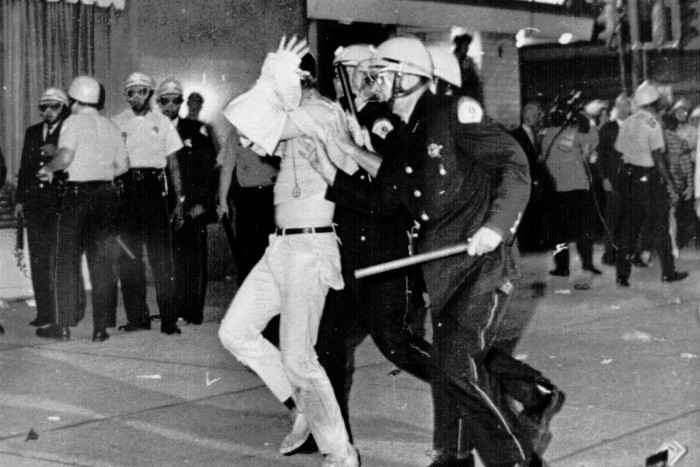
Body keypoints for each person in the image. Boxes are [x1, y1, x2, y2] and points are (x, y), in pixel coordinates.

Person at [315, 36, 557, 467]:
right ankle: (456, 455)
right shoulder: (404, 137)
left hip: (483, 264)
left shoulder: (453, 112)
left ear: (408, 77)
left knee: (458, 365)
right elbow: (384, 202)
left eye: (381, 75)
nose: (373, 84)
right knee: (451, 365)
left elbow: (515, 163)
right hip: (443, 271)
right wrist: (329, 175)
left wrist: (496, 227)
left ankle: (519, 460)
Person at [218, 37, 359, 467]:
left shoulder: (318, 112)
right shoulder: (292, 113)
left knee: (300, 357)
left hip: (310, 245)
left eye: (287, 78)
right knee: (235, 332)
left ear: (303, 80)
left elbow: (247, 113)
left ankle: (340, 452)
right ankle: (301, 407)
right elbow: (246, 125)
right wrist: (271, 78)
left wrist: (270, 78)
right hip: (281, 245)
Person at [313, 43, 432, 443]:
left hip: (381, 249)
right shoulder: (337, 116)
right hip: (344, 250)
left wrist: (346, 153)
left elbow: (394, 180)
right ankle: (329, 432)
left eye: (365, 71)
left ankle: (491, 384)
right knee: (324, 343)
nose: (360, 79)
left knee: (399, 346)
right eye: (345, 71)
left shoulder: (379, 120)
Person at [36, 76, 129, 341]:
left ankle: (62, 326)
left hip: (78, 197)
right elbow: (123, 166)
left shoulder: (73, 122)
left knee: (66, 262)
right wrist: (100, 174)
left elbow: (65, 157)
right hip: (107, 197)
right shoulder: (110, 125)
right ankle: (100, 329)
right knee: (101, 264)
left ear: (75, 100)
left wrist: (47, 169)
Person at [112, 72, 184, 335]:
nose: (137, 96)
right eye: (131, 92)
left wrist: (180, 201)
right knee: (129, 257)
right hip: (126, 191)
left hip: (155, 191)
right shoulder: (116, 122)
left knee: (161, 258)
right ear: (126, 95)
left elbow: (173, 164)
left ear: (150, 94)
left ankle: (169, 320)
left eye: (142, 91)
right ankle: (138, 318)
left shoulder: (163, 122)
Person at [14, 87, 85, 329]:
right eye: (43, 107)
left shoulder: (72, 130)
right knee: (39, 260)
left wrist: (58, 154)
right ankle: (45, 313)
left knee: (65, 259)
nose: (48, 111)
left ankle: (72, 311)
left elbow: (82, 164)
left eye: (53, 106)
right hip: (36, 206)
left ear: (64, 108)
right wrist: (20, 200)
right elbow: (24, 168)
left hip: (62, 204)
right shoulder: (32, 132)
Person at [614, 81, 688, 286]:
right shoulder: (653, 122)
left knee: (629, 228)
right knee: (660, 227)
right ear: (654, 102)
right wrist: (670, 184)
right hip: (649, 180)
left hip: (629, 179)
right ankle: (668, 272)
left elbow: (620, 151)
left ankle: (621, 276)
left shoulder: (628, 121)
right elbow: (658, 156)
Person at [155, 78, 216, 325]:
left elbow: (208, 169)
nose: (170, 105)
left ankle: (191, 312)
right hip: (161, 205)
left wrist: (201, 203)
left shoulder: (195, 130)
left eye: (175, 100)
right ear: (158, 103)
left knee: (191, 259)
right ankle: (171, 311)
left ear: (181, 102)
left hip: (191, 206)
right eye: (164, 100)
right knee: (167, 260)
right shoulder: (152, 129)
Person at [541, 105, 602, 276]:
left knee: (559, 233)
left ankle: (562, 267)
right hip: (579, 187)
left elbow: (545, 159)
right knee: (585, 228)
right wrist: (584, 120)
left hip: (557, 189)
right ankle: (588, 263)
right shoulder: (574, 133)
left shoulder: (547, 135)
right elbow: (593, 138)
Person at [598, 93, 633, 266]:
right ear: (616, 108)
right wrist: (604, 178)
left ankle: (626, 253)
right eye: (621, 106)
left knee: (629, 218)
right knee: (612, 218)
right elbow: (600, 157)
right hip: (613, 180)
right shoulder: (607, 129)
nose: (624, 109)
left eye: (627, 105)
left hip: (632, 180)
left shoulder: (635, 126)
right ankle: (610, 254)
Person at [511, 102, 548, 252]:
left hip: (536, 180)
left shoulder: (535, 134)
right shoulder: (516, 135)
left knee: (536, 212)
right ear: (526, 116)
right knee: (527, 214)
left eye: (538, 115)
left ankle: (536, 243)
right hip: (525, 179)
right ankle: (528, 245)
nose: (537, 118)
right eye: (535, 115)